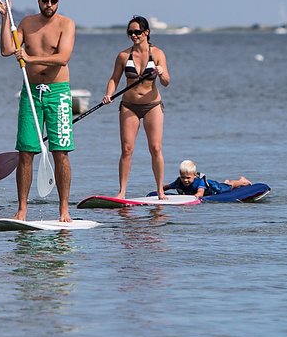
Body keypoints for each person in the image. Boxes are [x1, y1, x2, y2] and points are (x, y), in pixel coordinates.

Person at [0, 0, 76, 222]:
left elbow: (63, 57)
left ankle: (64, 210)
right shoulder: (27, 23)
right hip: (31, 92)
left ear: (58, 1)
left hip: (58, 92)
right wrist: (5, 18)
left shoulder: (66, 24)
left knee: (60, 152)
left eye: (53, 1)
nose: (49, 5)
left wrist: (29, 59)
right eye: (45, 0)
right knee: (26, 151)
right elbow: (7, 50)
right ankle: (22, 210)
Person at [103, 15, 171, 199]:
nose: (134, 35)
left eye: (137, 32)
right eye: (130, 32)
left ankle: (160, 191)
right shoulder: (124, 56)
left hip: (152, 105)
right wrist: (109, 93)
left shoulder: (157, 54)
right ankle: (122, 192)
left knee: (155, 148)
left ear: (146, 32)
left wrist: (162, 72)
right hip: (129, 106)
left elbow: (166, 82)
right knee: (127, 149)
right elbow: (114, 79)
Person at [164, 160, 252, 198]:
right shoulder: (179, 182)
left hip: (214, 188)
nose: (185, 180)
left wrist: (194, 197)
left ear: (194, 175)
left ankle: (242, 181)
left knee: (228, 186)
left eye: (188, 178)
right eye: (183, 177)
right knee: (225, 184)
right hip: (209, 188)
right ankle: (226, 182)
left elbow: (200, 193)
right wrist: (160, 190)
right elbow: (167, 187)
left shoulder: (199, 182)